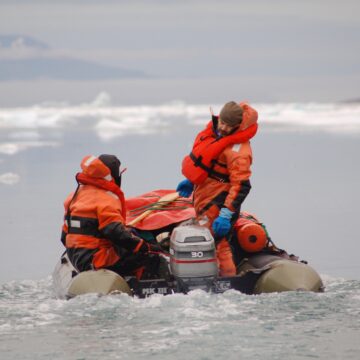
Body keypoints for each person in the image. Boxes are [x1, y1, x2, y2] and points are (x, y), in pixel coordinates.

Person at [177, 101, 258, 276]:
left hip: (220, 201)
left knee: (220, 244)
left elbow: (242, 185)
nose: (222, 128)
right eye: (221, 122)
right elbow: (208, 163)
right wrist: (191, 181)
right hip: (206, 194)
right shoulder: (215, 136)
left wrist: (226, 214)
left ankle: (227, 282)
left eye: (228, 126)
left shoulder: (239, 151)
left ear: (237, 127)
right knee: (212, 241)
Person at [60, 154, 162, 279]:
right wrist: (146, 247)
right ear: (114, 176)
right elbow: (115, 233)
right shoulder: (107, 200)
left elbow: (64, 237)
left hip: (75, 256)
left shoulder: (73, 197)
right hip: (96, 259)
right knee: (151, 257)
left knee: (128, 238)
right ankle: (140, 288)